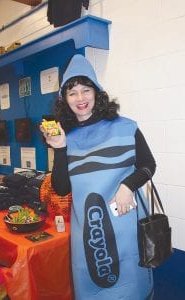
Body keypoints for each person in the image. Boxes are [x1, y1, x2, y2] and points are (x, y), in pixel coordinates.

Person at [40, 54, 156, 300]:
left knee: (133, 289)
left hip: (127, 231)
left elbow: (148, 164)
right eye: (72, 92)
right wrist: (60, 149)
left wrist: (128, 185)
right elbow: (61, 188)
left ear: (97, 92)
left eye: (86, 90)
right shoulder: (66, 138)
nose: (80, 98)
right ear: (64, 99)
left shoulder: (125, 127)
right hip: (90, 239)